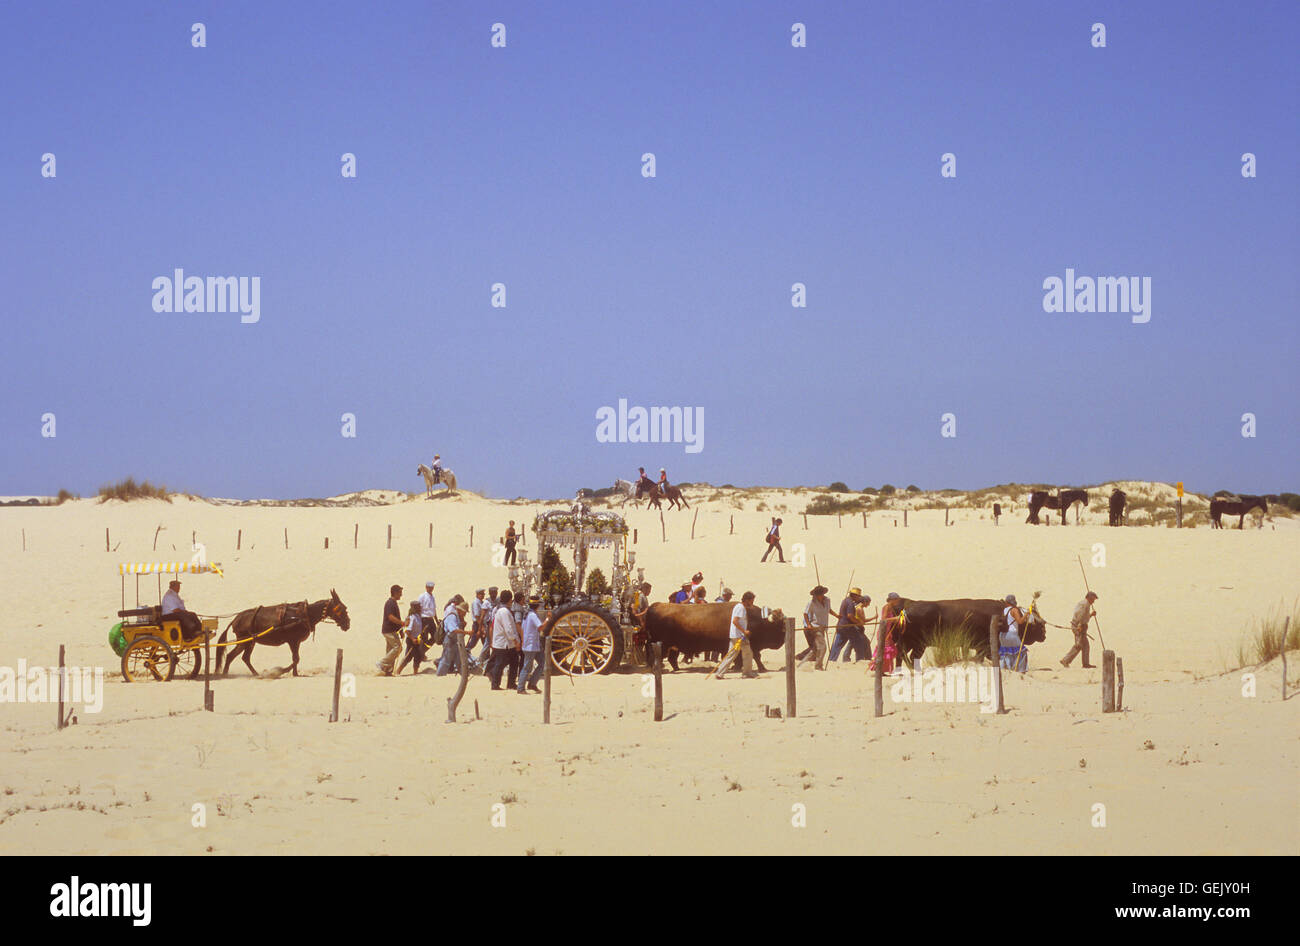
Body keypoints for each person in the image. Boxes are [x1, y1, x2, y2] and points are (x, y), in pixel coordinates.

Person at [716, 591, 758, 679]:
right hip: (739, 636)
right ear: (747, 600)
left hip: (736, 635)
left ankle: (720, 672)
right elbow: (735, 621)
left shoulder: (738, 606)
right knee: (747, 654)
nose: (752, 603)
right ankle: (747, 673)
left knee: (732, 654)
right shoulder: (741, 608)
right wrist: (744, 631)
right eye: (751, 601)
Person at [487, 589, 521, 690]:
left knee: (514, 662)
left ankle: (510, 683)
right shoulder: (504, 612)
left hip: (505, 643)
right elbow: (508, 629)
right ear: (510, 600)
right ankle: (495, 684)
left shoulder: (500, 610)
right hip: (504, 643)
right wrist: (515, 641)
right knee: (500, 664)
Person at [829, 588, 871, 663]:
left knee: (837, 645)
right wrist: (858, 622)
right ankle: (860, 660)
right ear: (855, 596)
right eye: (858, 596)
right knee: (858, 642)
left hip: (840, 626)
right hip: (847, 627)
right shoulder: (850, 603)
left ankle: (831, 659)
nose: (859, 598)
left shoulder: (845, 601)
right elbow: (850, 616)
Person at [798, 585, 834, 670]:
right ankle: (818, 666)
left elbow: (828, 610)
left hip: (823, 626)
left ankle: (801, 665)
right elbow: (805, 614)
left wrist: (837, 616)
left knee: (815, 649)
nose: (817, 596)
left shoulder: (827, 600)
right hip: (815, 627)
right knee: (822, 647)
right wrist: (809, 624)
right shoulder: (811, 603)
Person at [1061, 592, 1098, 668]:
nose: (1093, 601)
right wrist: (1079, 625)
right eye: (1093, 599)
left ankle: (1085, 663)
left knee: (1084, 645)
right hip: (1079, 626)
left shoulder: (1085, 603)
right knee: (1079, 645)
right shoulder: (1085, 604)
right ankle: (1066, 660)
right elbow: (1080, 616)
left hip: (1080, 626)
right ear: (1089, 597)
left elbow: (1085, 617)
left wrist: (1091, 615)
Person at [517, 597, 544, 694]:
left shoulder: (527, 614)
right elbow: (540, 627)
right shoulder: (532, 615)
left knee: (541, 663)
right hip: (531, 645)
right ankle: (520, 687)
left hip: (532, 644)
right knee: (527, 667)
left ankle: (532, 683)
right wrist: (548, 619)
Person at [870, 592, 902, 675]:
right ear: (892, 600)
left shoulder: (891, 608)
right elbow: (883, 619)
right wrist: (895, 618)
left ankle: (884, 670)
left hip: (887, 631)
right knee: (885, 650)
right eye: (896, 600)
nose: (897, 601)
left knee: (888, 650)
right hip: (883, 632)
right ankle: (879, 670)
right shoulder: (886, 607)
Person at [437, 597, 470, 676]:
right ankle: (440, 675)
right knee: (446, 660)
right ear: (460, 610)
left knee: (459, 659)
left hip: (455, 641)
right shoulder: (452, 616)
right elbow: (453, 630)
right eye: (464, 612)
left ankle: (464, 675)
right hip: (450, 641)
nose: (465, 614)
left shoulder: (457, 617)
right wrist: (467, 632)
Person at [377, 584, 404, 675]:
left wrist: (401, 632)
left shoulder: (394, 603)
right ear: (395, 593)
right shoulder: (389, 603)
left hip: (392, 630)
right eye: (400, 593)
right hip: (389, 631)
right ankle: (382, 663)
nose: (401, 595)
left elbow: (396, 617)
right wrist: (402, 623)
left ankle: (387, 670)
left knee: (390, 650)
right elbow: (391, 617)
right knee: (398, 648)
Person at [394, 601, 427, 675]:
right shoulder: (412, 618)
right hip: (412, 640)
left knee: (418, 657)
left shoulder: (418, 616)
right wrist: (412, 639)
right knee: (408, 657)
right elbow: (407, 631)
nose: (420, 608)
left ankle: (415, 672)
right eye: (419, 606)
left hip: (417, 640)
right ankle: (398, 671)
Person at [1000, 594, 1031, 672]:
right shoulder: (1014, 610)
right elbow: (1020, 621)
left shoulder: (1004, 610)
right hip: (1012, 634)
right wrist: (1026, 614)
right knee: (1021, 652)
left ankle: (1006, 668)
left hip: (1003, 635)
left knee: (1007, 652)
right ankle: (1020, 671)